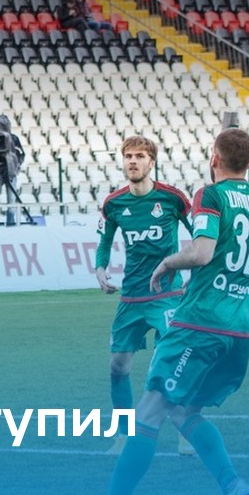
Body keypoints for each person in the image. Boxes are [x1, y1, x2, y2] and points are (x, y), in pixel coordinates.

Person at [62, 128, 249, 495]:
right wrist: (232, 275)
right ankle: (232, 487)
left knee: (147, 415)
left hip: (199, 324)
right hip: (240, 331)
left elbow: (200, 253)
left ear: (214, 158)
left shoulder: (209, 195)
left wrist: (168, 263)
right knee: (183, 413)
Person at [94, 136, 195, 456]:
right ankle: (123, 435)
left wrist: (195, 272)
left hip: (167, 295)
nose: (133, 161)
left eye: (139, 156)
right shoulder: (114, 203)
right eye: (128, 156)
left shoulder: (172, 198)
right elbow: (104, 241)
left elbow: (200, 235)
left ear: (152, 162)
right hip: (131, 299)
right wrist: (100, 269)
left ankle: (186, 433)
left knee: (172, 364)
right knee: (118, 367)